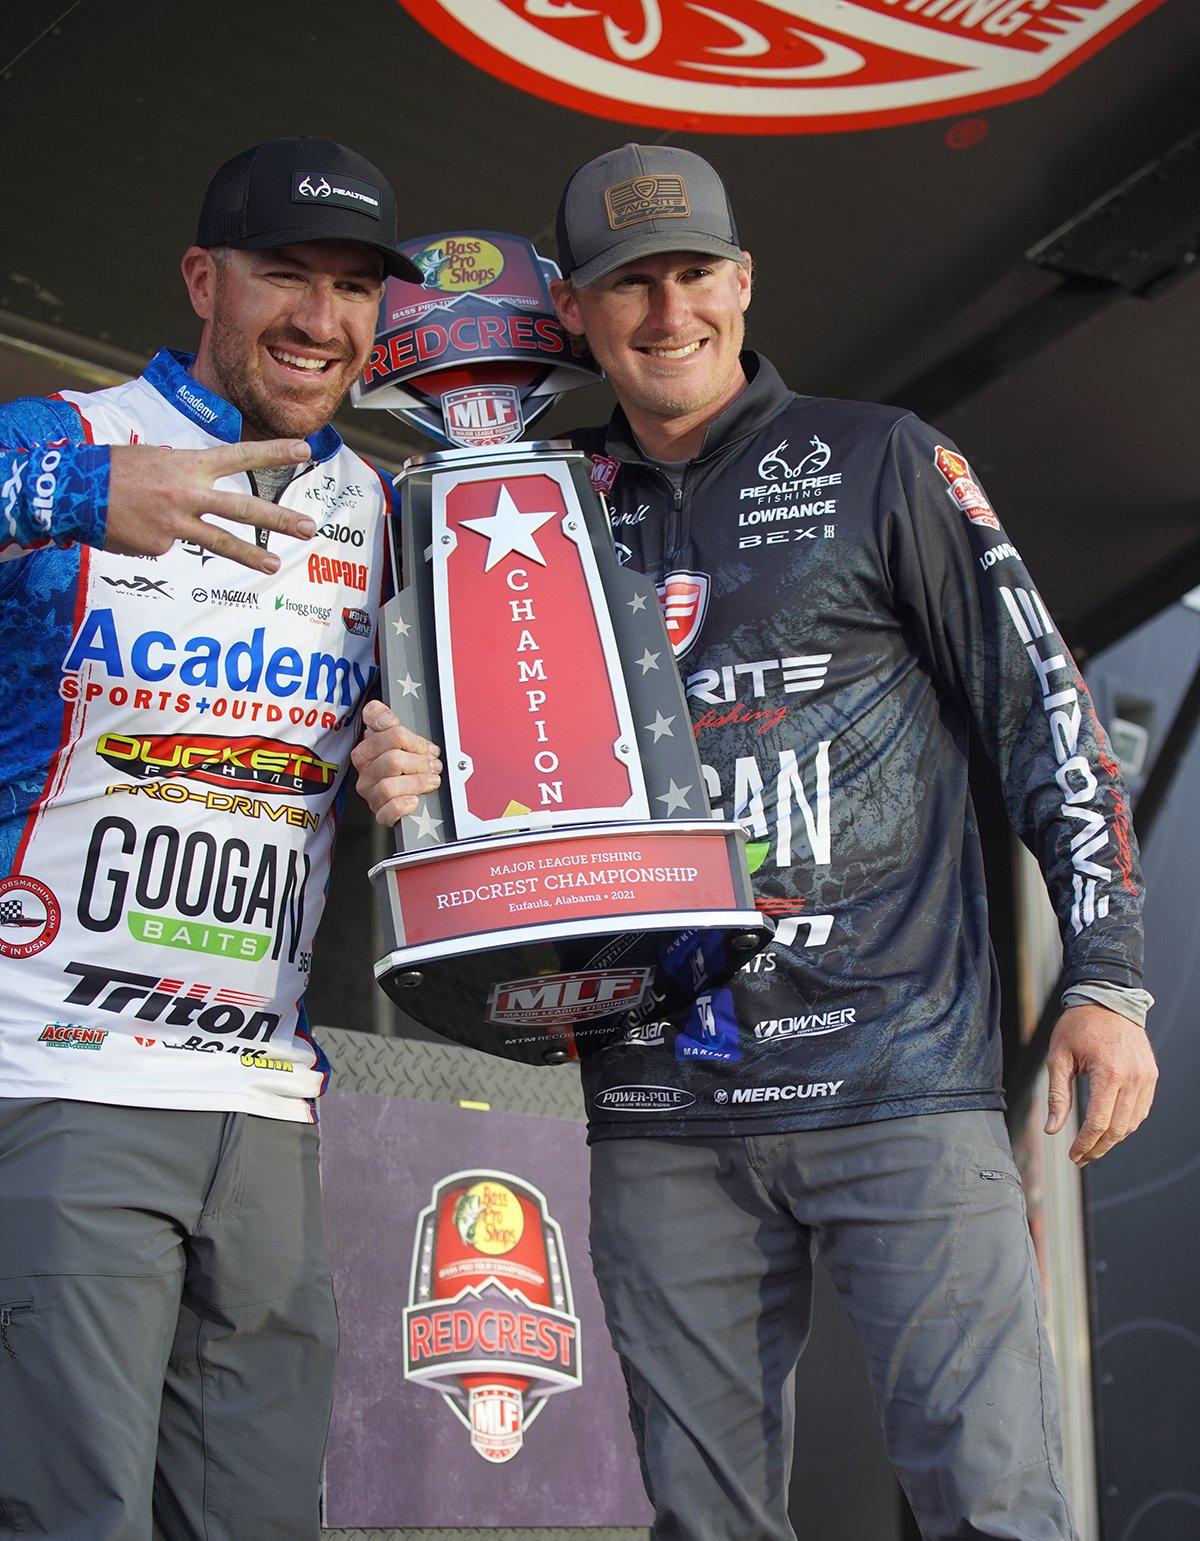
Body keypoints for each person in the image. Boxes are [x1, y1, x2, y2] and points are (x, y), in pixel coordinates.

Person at [541, 143, 1158, 1540]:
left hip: (901, 1082)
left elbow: (1046, 720)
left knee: (993, 1499)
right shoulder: (539, 501)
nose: (667, 313)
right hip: (661, 1098)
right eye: (626, 287)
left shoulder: (881, 456)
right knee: (705, 1526)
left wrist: (1108, 978)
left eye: (693, 273)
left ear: (744, 283)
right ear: (577, 315)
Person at [0, 137, 441, 1539]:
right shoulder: (68, 436)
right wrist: (78, 500)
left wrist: (414, 767)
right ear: (204, 277)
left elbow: (438, 756)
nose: (322, 319)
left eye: (355, 288)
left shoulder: (378, 511)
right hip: (54, 1068)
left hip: (260, 1107)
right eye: (285, 276)